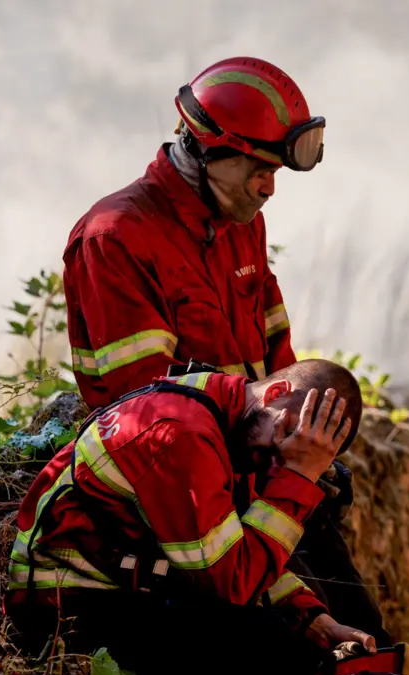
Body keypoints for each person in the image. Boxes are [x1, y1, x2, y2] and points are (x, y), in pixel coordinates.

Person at [2, 360, 409, 675]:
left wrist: (315, 620)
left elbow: (243, 553)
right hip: (68, 606)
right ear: (278, 394)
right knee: (265, 641)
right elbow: (231, 583)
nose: (275, 466)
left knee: (304, 636)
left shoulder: (229, 419)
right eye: (285, 443)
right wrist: (300, 475)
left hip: (134, 585)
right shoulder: (181, 434)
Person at [61, 55, 324, 411]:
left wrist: (294, 423)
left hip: (246, 447)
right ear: (209, 150)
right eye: (260, 171)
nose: (269, 190)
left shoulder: (241, 223)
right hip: (167, 454)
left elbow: (277, 357)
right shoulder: (115, 237)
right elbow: (147, 400)